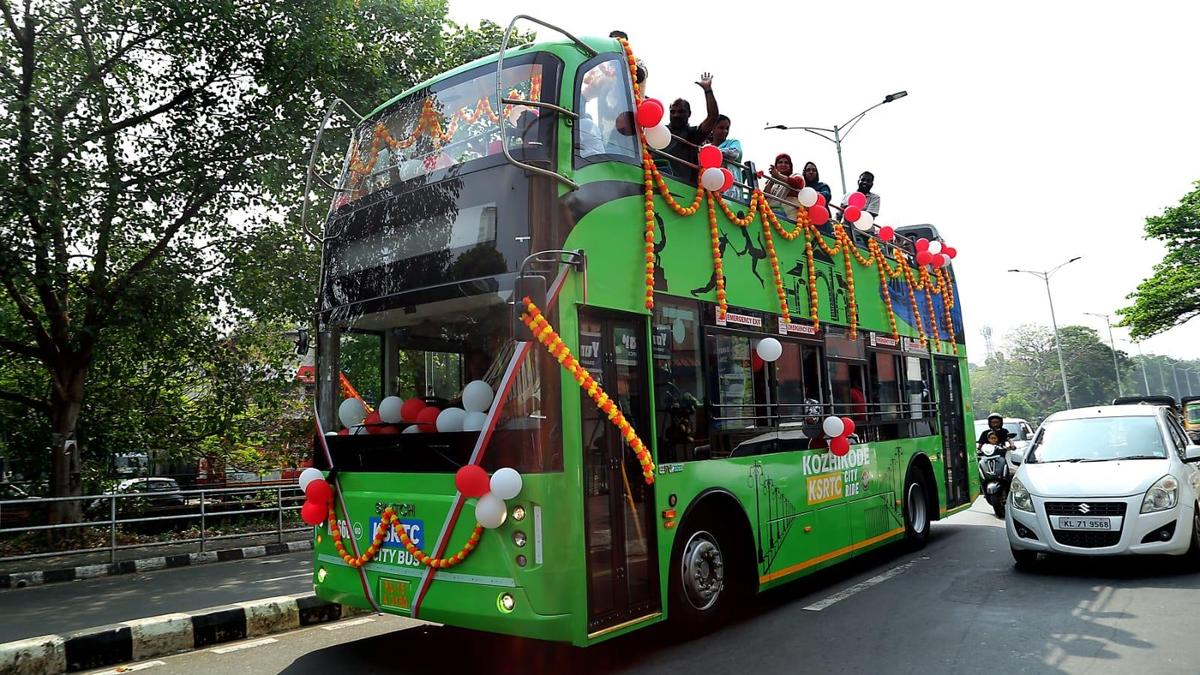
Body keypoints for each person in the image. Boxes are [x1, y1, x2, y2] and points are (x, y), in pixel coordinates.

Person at [664, 72, 719, 183]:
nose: (676, 115)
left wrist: (707, 90)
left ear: (689, 114)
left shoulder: (692, 134)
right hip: (652, 177)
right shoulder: (659, 131)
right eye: (673, 112)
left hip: (680, 185)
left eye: (681, 111)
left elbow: (713, 117)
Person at [708, 115, 743, 200]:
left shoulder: (733, 142)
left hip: (731, 193)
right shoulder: (706, 147)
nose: (724, 131)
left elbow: (734, 153)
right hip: (710, 189)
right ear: (712, 128)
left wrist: (712, 152)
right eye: (721, 128)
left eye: (727, 128)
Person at [764, 153, 803, 221]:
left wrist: (778, 176)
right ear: (776, 166)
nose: (783, 164)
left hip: (788, 218)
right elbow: (764, 197)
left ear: (790, 166)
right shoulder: (770, 181)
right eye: (780, 162)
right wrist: (772, 180)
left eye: (786, 163)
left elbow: (798, 183)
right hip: (769, 215)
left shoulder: (795, 176)